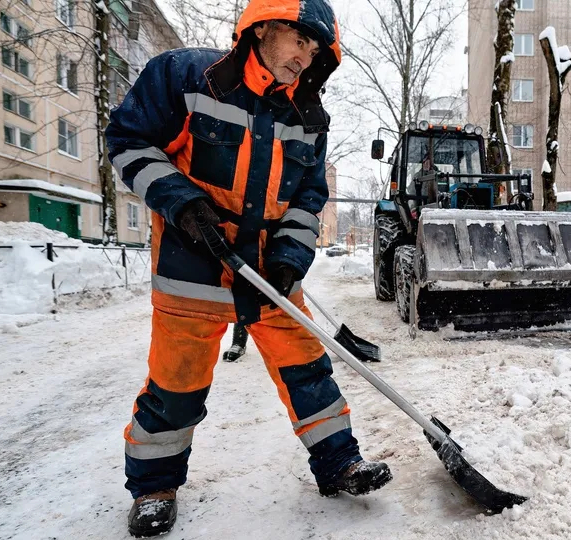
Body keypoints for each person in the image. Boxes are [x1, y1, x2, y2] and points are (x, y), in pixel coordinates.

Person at [106, 0, 391, 536]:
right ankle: (154, 488)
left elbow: (310, 197)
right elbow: (129, 140)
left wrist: (290, 256)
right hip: (192, 264)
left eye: (315, 50)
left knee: (308, 371)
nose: (305, 59)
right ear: (261, 27)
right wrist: (183, 204)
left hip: (268, 272)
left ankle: (338, 465)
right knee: (177, 385)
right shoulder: (188, 77)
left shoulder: (308, 114)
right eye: (298, 41)